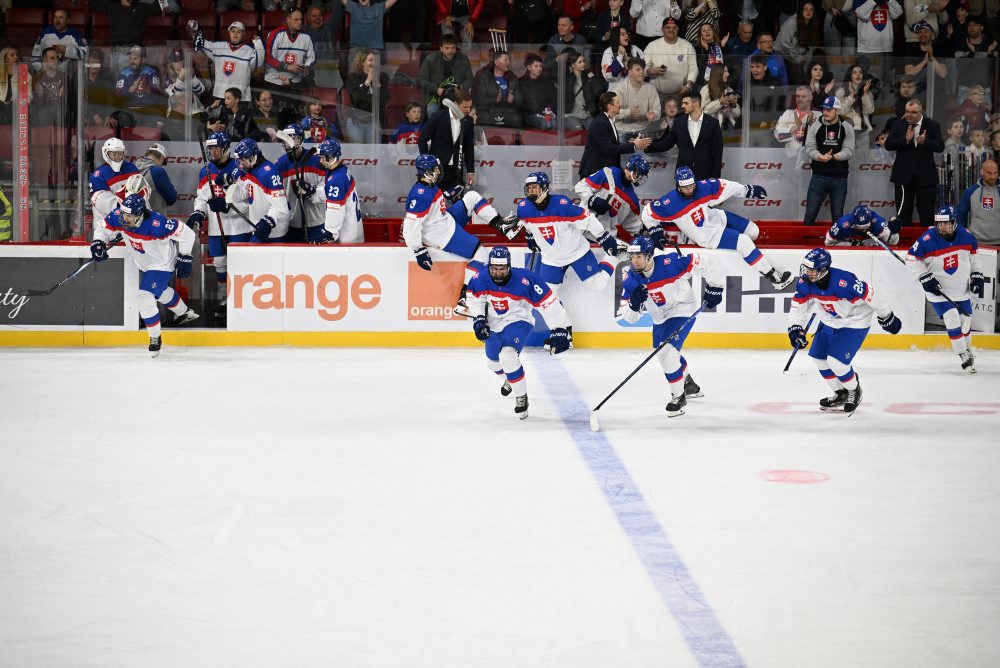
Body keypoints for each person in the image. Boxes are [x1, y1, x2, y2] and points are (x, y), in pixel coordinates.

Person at [787, 247, 902, 414]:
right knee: (819, 358)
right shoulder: (805, 283)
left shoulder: (844, 282)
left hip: (855, 321)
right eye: (806, 268)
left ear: (823, 270)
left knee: (837, 362)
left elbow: (872, 294)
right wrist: (795, 329)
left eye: (812, 270)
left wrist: (887, 316)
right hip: (829, 320)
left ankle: (854, 390)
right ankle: (840, 393)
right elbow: (798, 306)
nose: (807, 273)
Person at [619, 235, 724, 416]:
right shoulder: (631, 279)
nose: (634, 261)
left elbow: (709, 263)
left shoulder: (671, 263)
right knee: (665, 354)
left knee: (666, 352)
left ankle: (678, 397)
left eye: (639, 256)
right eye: (632, 257)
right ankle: (688, 384)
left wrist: (716, 287)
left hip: (682, 308)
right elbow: (628, 318)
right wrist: (633, 305)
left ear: (650, 255)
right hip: (659, 318)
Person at [642, 167, 795, 289]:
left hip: (714, 217)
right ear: (678, 186)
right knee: (744, 242)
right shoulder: (670, 204)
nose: (689, 190)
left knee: (753, 231)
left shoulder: (702, 187)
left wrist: (747, 190)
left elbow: (725, 185)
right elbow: (647, 213)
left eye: (691, 185)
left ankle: (748, 257)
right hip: (706, 235)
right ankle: (774, 277)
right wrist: (655, 232)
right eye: (685, 187)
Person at [512, 171, 621, 341]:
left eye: (535, 188)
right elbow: (527, 224)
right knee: (546, 299)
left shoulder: (562, 205)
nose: (531, 192)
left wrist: (603, 237)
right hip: (551, 258)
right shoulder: (524, 208)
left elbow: (588, 219)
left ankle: (615, 256)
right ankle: (564, 331)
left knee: (597, 285)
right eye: (529, 188)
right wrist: (530, 236)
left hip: (577, 252)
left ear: (545, 188)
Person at [467, 247, 572, 419]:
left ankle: (521, 397)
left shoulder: (526, 280)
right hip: (494, 322)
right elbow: (474, 299)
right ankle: (511, 378)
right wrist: (479, 319)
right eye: (495, 269)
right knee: (492, 364)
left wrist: (559, 328)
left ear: (509, 266)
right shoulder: (480, 277)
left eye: (502, 269)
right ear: (489, 266)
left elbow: (549, 304)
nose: (498, 273)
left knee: (508, 355)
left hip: (519, 319)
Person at [403, 154, 514, 315]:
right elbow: (410, 227)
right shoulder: (420, 195)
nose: (439, 171)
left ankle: (501, 225)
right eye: (435, 169)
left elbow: (434, 206)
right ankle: (465, 300)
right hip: (442, 235)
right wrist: (418, 250)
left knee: (472, 197)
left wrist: (447, 196)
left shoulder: (429, 185)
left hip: (445, 220)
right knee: (481, 254)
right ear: (426, 172)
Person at [91, 194, 198, 357]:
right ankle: (184, 312)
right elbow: (103, 228)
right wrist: (98, 242)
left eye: (128, 216)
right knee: (159, 291)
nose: (124, 218)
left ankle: (155, 338)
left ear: (140, 215)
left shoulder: (158, 224)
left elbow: (188, 234)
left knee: (144, 296)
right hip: (144, 262)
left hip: (162, 263)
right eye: (123, 214)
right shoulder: (119, 216)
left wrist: (185, 257)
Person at [907, 205, 983, 371]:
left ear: (954, 222)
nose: (942, 227)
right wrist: (924, 277)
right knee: (952, 317)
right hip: (939, 290)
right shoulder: (927, 239)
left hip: (961, 288)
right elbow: (911, 258)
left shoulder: (967, 236)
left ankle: (968, 349)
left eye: (947, 223)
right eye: (940, 224)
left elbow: (974, 258)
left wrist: (977, 275)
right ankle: (963, 354)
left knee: (965, 321)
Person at [186, 132, 252, 319]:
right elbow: (202, 198)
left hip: (239, 225)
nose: (213, 152)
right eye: (211, 148)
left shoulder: (240, 166)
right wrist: (199, 212)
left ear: (226, 148)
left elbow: (249, 198)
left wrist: (229, 205)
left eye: (217, 148)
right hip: (217, 226)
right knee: (220, 262)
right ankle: (225, 298)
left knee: (240, 263)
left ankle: (242, 299)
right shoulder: (205, 170)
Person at [885, 98, 945, 230]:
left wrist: (925, 142)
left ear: (920, 112)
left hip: (926, 178)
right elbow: (888, 145)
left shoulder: (932, 125)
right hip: (903, 177)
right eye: (907, 111)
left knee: (927, 216)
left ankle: (927, 241)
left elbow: (940, 146)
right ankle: (902, 242)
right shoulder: (898, 124)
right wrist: (905, 140)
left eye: (913, 112)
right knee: (903, 216)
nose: (909, 115)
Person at [220, 137, 291, 243]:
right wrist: (227, 185)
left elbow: (281, 207)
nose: (240, 164)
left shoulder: (269, 173)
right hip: (258, 226)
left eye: (243, 159)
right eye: (239, 160)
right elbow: (242, 194)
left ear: (253, 157)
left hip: (274, 231)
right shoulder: (249, 170)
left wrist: (268, 221)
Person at [803, 96, 856, 227]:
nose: (825, 112)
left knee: (838, 216)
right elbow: (809, 148)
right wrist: (819, 157)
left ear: (837, 110)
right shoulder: (816, 126)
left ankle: (836, 239)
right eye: (823, 109)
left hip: (839, 178)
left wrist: (832, 157)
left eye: (829, 109)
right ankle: (805, 240)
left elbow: (848, 151)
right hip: (818, 176)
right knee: (810, 215)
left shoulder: (847, 127)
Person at [574, 153, 653, 239]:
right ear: (632, 169)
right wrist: (591, 199)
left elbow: (632, 223)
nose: (640, 179)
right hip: (580, 230)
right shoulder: (608, 173)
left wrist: (645, 230)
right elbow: (581, 186)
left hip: (605, 240)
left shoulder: (632, 198)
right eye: (639, 175)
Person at [647, 91, 723, 179]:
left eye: (686, 103)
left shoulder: (713, 123)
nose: (682, 106)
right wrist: (646, 145)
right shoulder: (679, 122)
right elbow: (667, 144)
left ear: (695, 104)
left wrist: (715, 176)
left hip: (706, 173)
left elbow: (718, 151)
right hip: (683, 173)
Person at [579, 91, 653, 178]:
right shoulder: (600, 123)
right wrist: (634, 146)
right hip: (594, 173)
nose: (620, 105)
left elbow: (612, 148)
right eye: (617, 102)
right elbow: (610, 148)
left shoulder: (608, 121)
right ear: (610, 107)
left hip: (604, 172)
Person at [272, 124, 326, 243]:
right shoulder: (279, 164)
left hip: (316, 221)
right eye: (286, 139)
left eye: (294, 138)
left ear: (301, 139)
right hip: (291, 223)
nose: (289, 142)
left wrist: (312, 191)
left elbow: (326, 189)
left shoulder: (317, 160)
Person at [264, 8, 316, 128]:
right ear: (287, 19)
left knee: (293, 122)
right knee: (276, 122)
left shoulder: (306, 37)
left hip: (294, 84)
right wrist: (286, 67)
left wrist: (307, 67)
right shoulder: (275, 34)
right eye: (296, 19)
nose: (299, 22)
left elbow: (312, 59)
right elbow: (267, 57)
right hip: (274, 83)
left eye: (301, 19)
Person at [192, 20, 264, 105]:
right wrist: (196, 31)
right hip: (221, 95)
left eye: (238, 32)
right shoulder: (220, 47)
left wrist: (258, 43)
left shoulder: (249, 51)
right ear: (229, 32)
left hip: (240, 97)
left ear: (243, 34)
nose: (235, 34)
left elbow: (259, 62)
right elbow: (201, 43)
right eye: (233, 31)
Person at [419, 90, 477, 189]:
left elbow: (469, 147)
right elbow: (422, 140)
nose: (468, 110)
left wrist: (470, 171)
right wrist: (427, 164)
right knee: (435, 198)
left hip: (457, 172)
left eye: (469, 107)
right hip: (436, 170)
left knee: (457, 199)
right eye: (465, 107)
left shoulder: (468, 121)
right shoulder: (438, 117)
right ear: (455, 104)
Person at [313, 138, 364, 244]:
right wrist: (312, 192)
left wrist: (329, 233)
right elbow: (331, 192)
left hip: (347, 241)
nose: (320, 161)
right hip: (354, 232)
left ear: (332, 157)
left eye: (323, 158)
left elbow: (335, 209)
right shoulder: (341, 169)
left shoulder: (336, 180)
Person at [417, 35, 474, 116]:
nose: (450, 51)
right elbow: (420, 80)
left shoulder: (463, 59)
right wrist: (436, 90)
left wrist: (460, 88)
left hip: (457, 97)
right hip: (434, 96)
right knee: (432, 110)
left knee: (464, 111)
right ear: (441, 48)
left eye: (453, 48)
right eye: (447, 48)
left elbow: (470, 79)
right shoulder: (431, 59)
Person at [643, 17, 698, 101]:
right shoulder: (652, 46)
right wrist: (651, 71)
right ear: (662, 29)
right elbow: (643, 68)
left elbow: (693, 68)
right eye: (668, 27)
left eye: (674, 27)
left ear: (678, 29)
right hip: (657, 94)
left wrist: (688, 85)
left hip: (681, 94)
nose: (671, 30)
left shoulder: (687, 46)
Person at [345, 49, 390, 143]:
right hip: (356, 121)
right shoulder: (353, 77)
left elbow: (384, 101)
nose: (374, 63)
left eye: (375, 60)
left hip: (374, 121)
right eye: (370, 60)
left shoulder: (382, 78)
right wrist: (367, 81)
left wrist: (378, 85)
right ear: (362, 62)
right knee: (358, 151)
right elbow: (356, 100)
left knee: (374, 151)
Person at [90, 137, 141, 222]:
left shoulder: (131, 168)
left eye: (119, 154)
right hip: (107, 221)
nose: (116, 157)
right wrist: (123, 205)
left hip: (131, 218)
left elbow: (140, 190)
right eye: (113, 154)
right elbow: (100, 201)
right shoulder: (98, 174)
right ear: (105, 153)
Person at [611, 57, 661, 142]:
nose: (641, 72)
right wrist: (629, 112)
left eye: (643, 69)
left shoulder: (651, 89)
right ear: (629, 72)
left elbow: (657, 111)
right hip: (622, 131)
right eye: (638, 69)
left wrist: (653, 114)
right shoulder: (619, 89)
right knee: (622, 151)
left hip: (643, 130)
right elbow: (612, 112)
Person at [472, 50, 522, 127]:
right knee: (485, 118)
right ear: (496, 62)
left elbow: (519, 101)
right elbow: (479, 101)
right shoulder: (482, 76)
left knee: (516, 119)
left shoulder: (513, 78)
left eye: (509, 60)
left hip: (507, 112)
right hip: (488, 112)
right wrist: (495, 99)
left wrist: (512, 101)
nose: (509, 62)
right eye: (505, 60)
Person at [956, 158, 1000, 245]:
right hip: (976, 242)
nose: (993, 176)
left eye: (995, 173)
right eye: (989, 173)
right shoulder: (971, 191)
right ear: (981, 172)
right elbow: (959, 214)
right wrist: (962, 235)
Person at [128, 143, 177, 214]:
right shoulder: (157, 171)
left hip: (133, 217)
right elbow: (171, 198)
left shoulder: (132, 168)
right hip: (154, 218)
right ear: (161, 158)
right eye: (162, 163)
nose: (161, 165)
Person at [563, 49, 605, 130]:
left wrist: (593, 78)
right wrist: (558, 59)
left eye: (584, 61)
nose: (583, 64)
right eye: (580, 62)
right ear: (573, 65)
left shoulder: (588, 76)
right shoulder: (567, 78)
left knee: (593, 130)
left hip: (587, 114)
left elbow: (599, 91)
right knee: (578, 130)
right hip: (571, 114)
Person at [774, 86, 818, 157]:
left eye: (803, 96)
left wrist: (811, 125)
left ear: (811, 97)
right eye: (798, 96)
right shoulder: (788, 114)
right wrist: (796, 127)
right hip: (791, 158)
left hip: (812, 158)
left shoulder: (819, 115)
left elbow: (824, 138)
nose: (800, 99)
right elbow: (778, 135)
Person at [825, 204, 898, 246]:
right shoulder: (842, 224)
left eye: (866, 227)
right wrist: (850, 244)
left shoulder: (878, 222)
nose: (864, 230)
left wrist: (894, 232)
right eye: (860, 228)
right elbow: (828, 243)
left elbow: (893, 242)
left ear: (871, 221)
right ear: (854, 223)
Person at [519, 54, 559, 129]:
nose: (539, 68)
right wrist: (536, 111)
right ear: (529, 67)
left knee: (554, 123)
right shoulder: (521, 82)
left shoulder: (547, 81)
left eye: (540, 66)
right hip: (529, 115)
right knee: (543, 122)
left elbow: (554, 99)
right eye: (536, 66)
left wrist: (548, 110)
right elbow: (520, 102)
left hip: (546, 113)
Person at [701, 64, 741, 131]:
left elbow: (737, 114)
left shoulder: (729, 89)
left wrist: (733, 105)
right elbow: (703, 112)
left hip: (727, 128)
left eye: (727, 71)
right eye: (725, 71)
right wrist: (719, 102)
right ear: (717, 73)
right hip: (710, 129)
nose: (728, 74)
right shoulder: (706, 90)